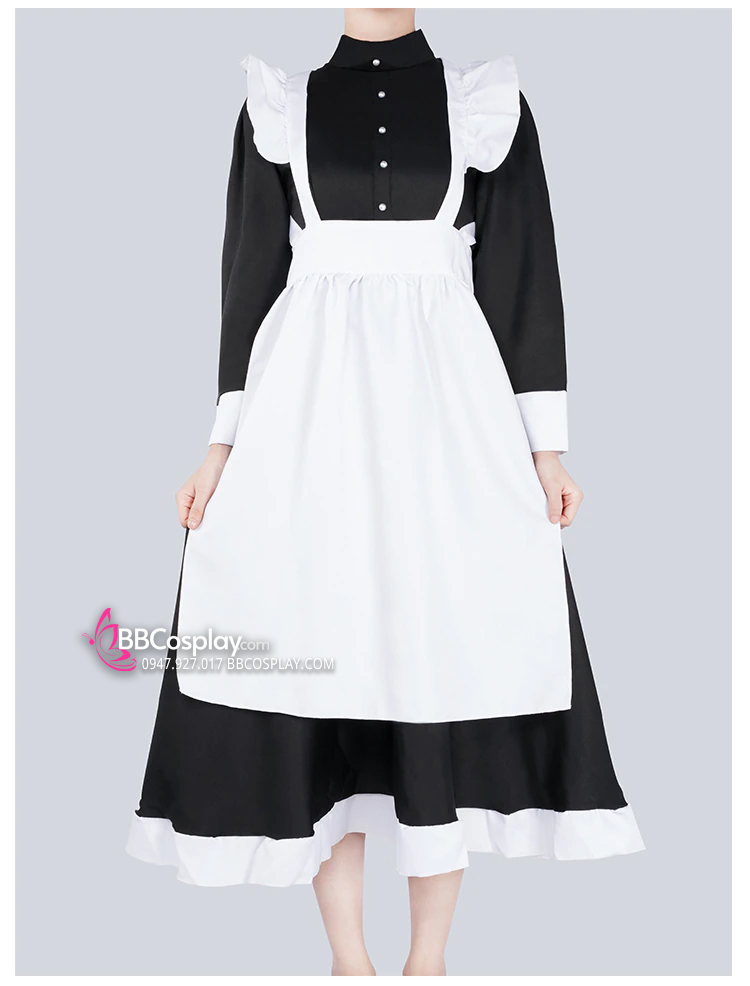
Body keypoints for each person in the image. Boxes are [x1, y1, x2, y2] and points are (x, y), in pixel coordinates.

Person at [127, 8, 644, 976]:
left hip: (449, 407)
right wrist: (221, 443)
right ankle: (350, 962)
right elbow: (249, 279)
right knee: (315, 653)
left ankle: (429, 963)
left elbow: (523, 275)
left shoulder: (486, 102)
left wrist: (547, 450)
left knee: (435, 649)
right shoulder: (279, 106)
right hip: (305, 408)